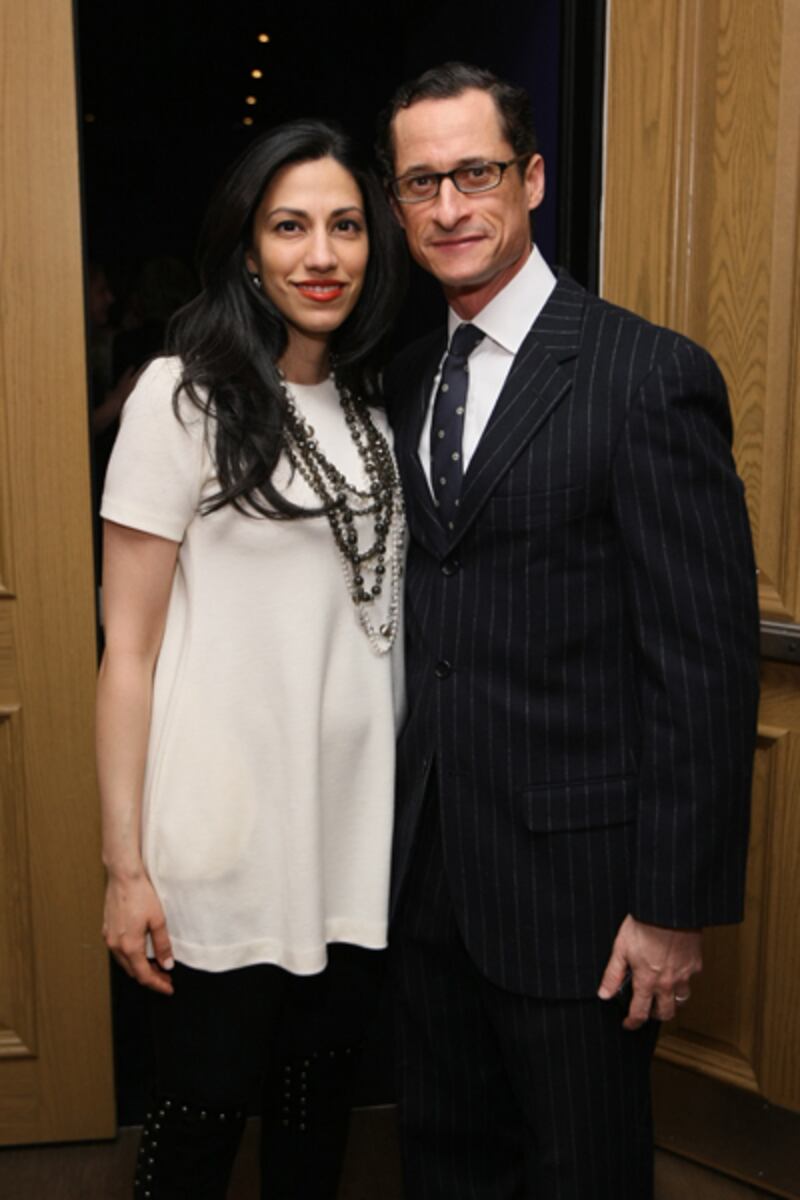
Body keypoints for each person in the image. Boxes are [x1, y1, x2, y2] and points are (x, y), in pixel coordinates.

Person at [376, 62, 760, 1198]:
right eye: (420, 183)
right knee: (444, 1161)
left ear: (532, 178)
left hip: (580, 895)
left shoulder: (646, 376)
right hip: (427, 872)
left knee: (582, 1169)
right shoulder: (406, 378)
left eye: (475, 173)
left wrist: (671, 908)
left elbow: (702, 664)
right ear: (397, 204)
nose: (449, 206)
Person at [97, 118, 406, 1199]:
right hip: (223, 841)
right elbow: (127, 652)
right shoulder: (181, 397)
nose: (321, 255)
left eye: (345, 226)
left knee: (315, 1127)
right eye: (289, 227)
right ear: (246, 250)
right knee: (198, 1123)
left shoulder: (372, 406)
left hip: (349, 838)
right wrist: (124, 868)